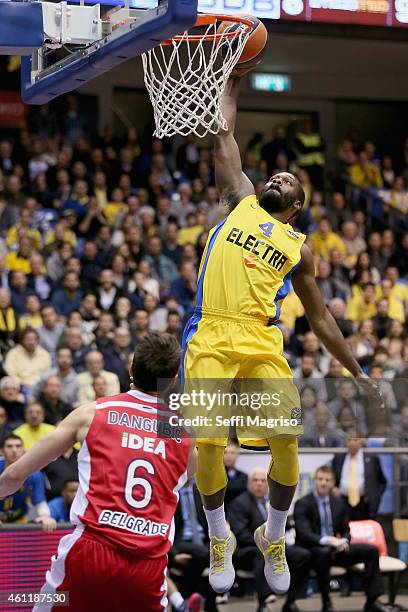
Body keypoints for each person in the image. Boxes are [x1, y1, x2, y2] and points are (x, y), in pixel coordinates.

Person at [181, 64, 384, 597]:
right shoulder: (240, 199)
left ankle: (274, 536)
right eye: (276, 174)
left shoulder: (300, 248)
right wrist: (234, 74)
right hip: (211, 333)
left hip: (262, 340)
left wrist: (358, 372)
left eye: (287, 182)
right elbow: (224, 132)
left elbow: (320, 319)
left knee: (286, 443)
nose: (277, 178)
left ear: (296, 207)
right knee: (205, 443)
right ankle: (220, 535)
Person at [0, 332, 196, 611]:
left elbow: (13, 476)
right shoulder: (183, 436)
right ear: (173, 378)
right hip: (147, 567)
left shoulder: (94, 412)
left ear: (131, 368)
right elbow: (181, 480)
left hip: (90, 552)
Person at [294, 465, 393, 612]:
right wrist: (328, 540)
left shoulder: (338, 503)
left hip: (335, 549)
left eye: (327, 480)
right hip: (313, 550)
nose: (323, 483)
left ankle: (372, 600)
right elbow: (304, 534)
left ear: (333, 483)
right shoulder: (303, 503)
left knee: (371, 551)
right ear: (315, 481)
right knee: (324, 552)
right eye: (320, 479)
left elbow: (346, 530)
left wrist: (344, 541)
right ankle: (326, 602)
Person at [228, 469, 311, 612]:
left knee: (303, 555)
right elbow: (241, 534)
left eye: (262, 481)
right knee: (261, 555)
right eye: (255, 480)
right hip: (248, 550)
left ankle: (290, 601)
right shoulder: (239, 503)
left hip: (274, 548)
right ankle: (263, 603)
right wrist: (265, 543)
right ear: (248, 484)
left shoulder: (274, 502)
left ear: (268, 484)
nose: (259, 484)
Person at [0, 434, 56, 530]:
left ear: (23, 450)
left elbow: (40, 501)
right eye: (9, 446)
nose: (14, 450)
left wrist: (45, 516)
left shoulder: (34, 473)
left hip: (19, 519)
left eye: (18, 446)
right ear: (1, 451)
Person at [331, 436, 386, 520]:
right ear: (346, 442)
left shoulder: (372, 458)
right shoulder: (339, 458)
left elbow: (382, 482)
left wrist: (373, 494)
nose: (352, 443)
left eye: (355, 440)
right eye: (349, 440)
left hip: (364, 503)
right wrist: (333, 488)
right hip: (343, 501)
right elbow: (332, 477)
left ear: (361, 442)